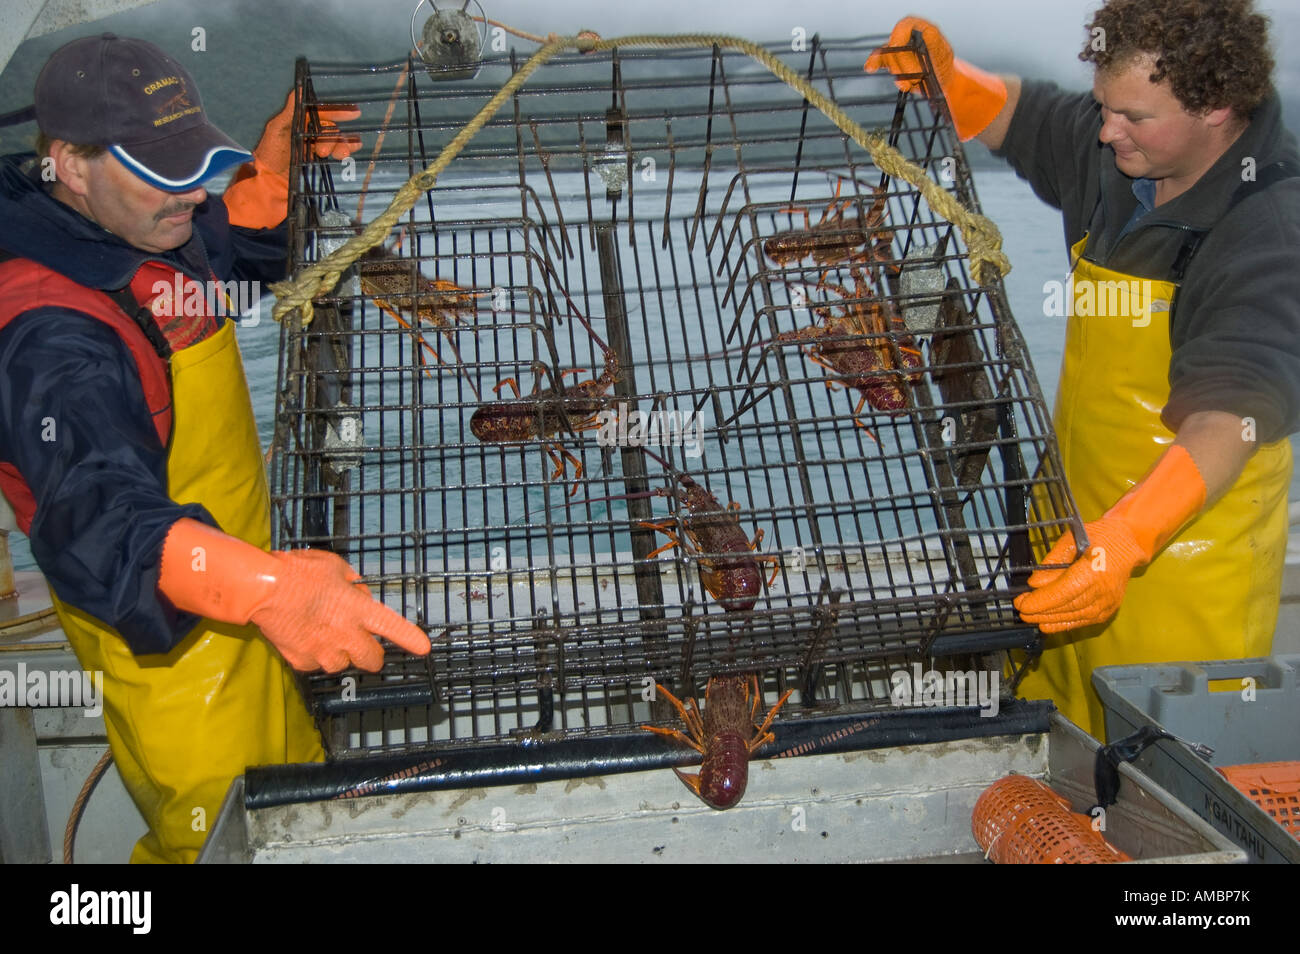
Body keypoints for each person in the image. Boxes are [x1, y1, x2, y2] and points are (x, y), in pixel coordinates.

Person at [0, 33, 431, 863]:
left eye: (194, 160)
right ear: (71, 164)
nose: (192, 193)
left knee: (296, 806)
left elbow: (221, 249)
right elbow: (99, 526)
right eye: (163, 171)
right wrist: (268, 588)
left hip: (252, 609)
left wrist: (267, 183)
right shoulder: (49, 334)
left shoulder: (138, 224)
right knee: (224, 839)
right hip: (175, 662)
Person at [866, 0, 1299, 737]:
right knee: (1044, 754)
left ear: (1218, 106)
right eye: (1104, 106)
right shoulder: (1117, 153)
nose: (1106, 129)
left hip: (1179, 577)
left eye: (1132, 115)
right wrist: (953, 77)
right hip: (1064, 532)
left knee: (1147, 797)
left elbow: (1233, 409)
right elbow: (1026, 117)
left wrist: (1127, 539)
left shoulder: (1269, 228)